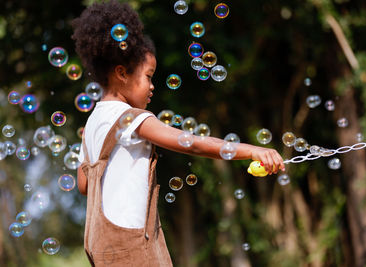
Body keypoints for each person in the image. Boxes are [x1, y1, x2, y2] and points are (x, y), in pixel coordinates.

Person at [72, 1, 285, 266]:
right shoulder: (132, 118)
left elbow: (84, 185)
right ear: (122, 73)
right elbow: (190, 143)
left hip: (102, 246)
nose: (152, 87)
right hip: (132, 243)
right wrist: (252, 150)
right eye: (148, 76)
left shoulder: (93, 121)